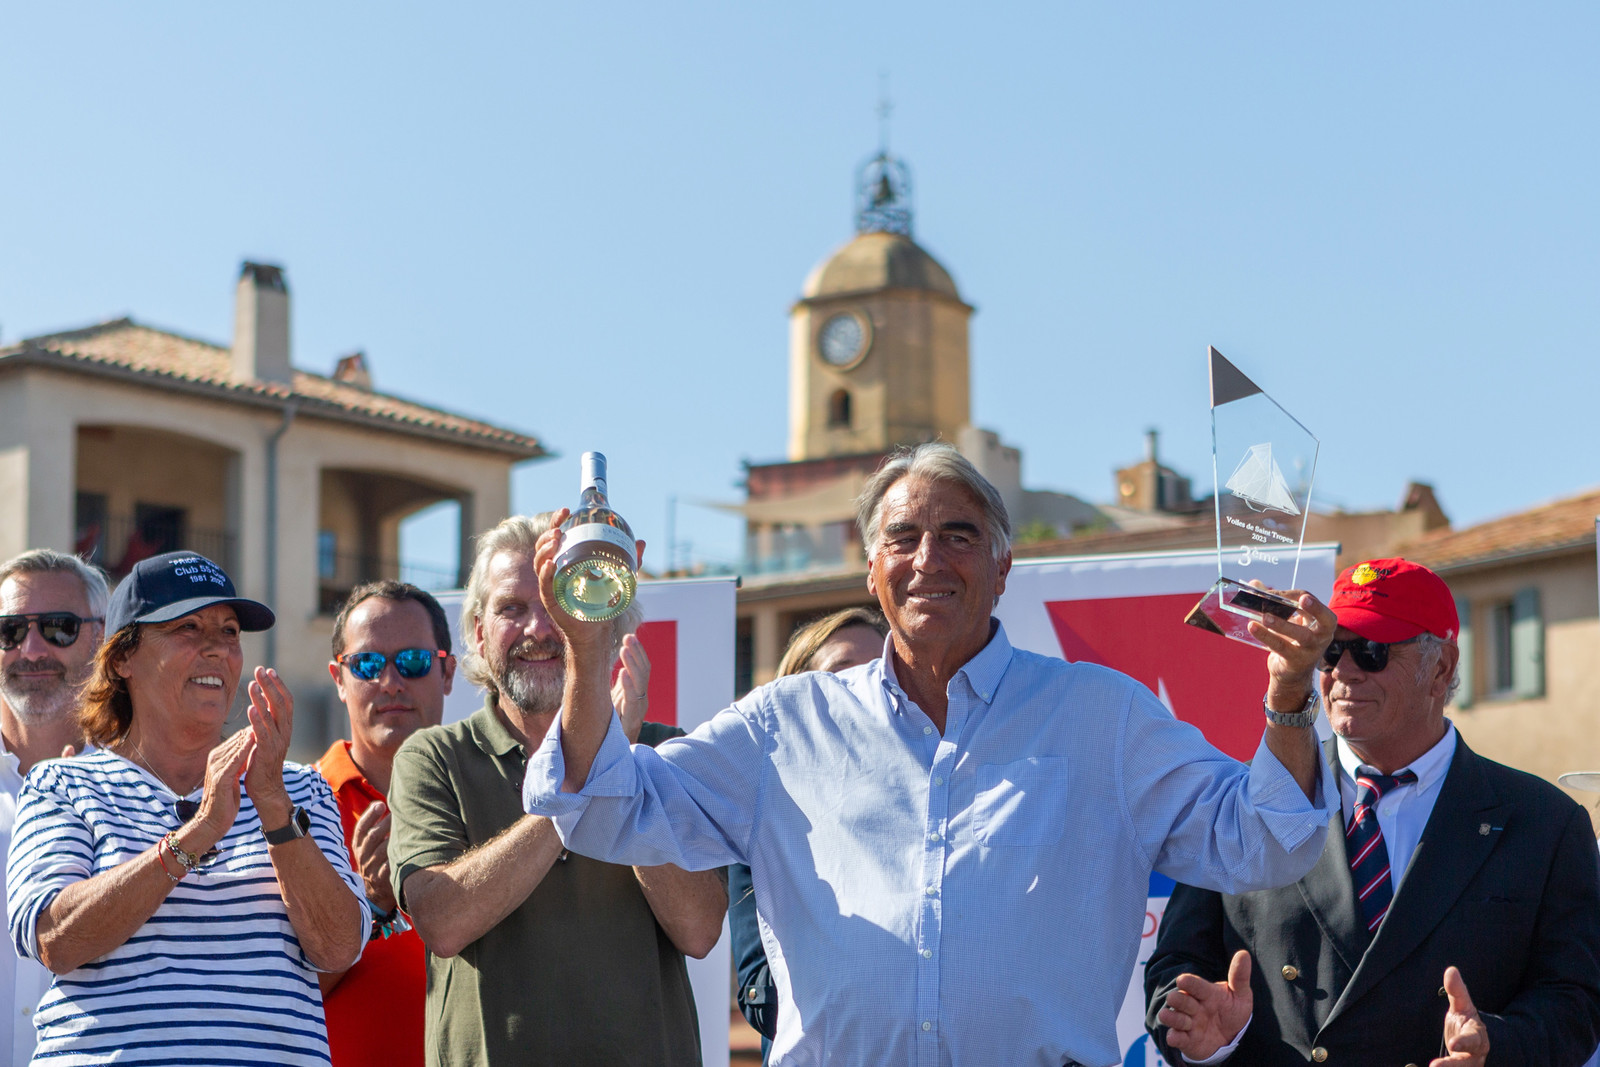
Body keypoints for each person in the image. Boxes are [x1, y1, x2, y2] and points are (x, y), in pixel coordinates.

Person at [523, 442, 1339, 1066]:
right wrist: (588, 655)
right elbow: (598, 808)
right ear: (872, 570)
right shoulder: (785, 725)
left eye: (959, 535)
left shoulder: (1101, 715)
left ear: (1002, 565)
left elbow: (1265, 836)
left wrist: (1292, 692)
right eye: (903, 537)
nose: (928, 559)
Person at [1144, 558, 1600, 1067]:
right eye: (1330, 651)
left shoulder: (1542, 822)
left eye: (1372, 652)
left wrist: (1495, 1045)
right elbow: (1175, 967)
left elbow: (1576, 1001)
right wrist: (1206, 1036)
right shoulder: (1249, 805)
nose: (1343, 670)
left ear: (1442, 668)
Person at [385, 514, 728, 1067]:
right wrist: (585, 776)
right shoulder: (433, 757)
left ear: (607, 625)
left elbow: (700, 929)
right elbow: (443, 922)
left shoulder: (667, 751)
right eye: (512, 609)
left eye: (559, 603)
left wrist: (623, 768)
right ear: (476, 630)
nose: (540, 629)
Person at [5, 551, 368, 1065]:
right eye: (189, 628)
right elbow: (54, 940)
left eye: (228, 632)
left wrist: (272, 809)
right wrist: (196, 834)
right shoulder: (61, 784)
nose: (217, 650)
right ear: (122, 659)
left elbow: (338, 946)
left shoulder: (298, 789)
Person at [733, 607, 888, 1062]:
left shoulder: (944, 797)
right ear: (793, 693)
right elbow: (759, 994)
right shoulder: (760, 810)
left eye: (880, 670)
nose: (865, 685)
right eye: (842, 673)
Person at [316, 581, 455, 1067]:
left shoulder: (497, 799)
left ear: (448, 671)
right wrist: (370, 906)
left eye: (413, 662)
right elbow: (268, 995)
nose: (391, 682)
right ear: (339, 678)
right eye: (368, 665)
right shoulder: (288, 812)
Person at [0, 549, 108, 1064]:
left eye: (59, 627)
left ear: (101, 637)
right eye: (10, 630)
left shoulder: (147, 783)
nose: (31, 648)